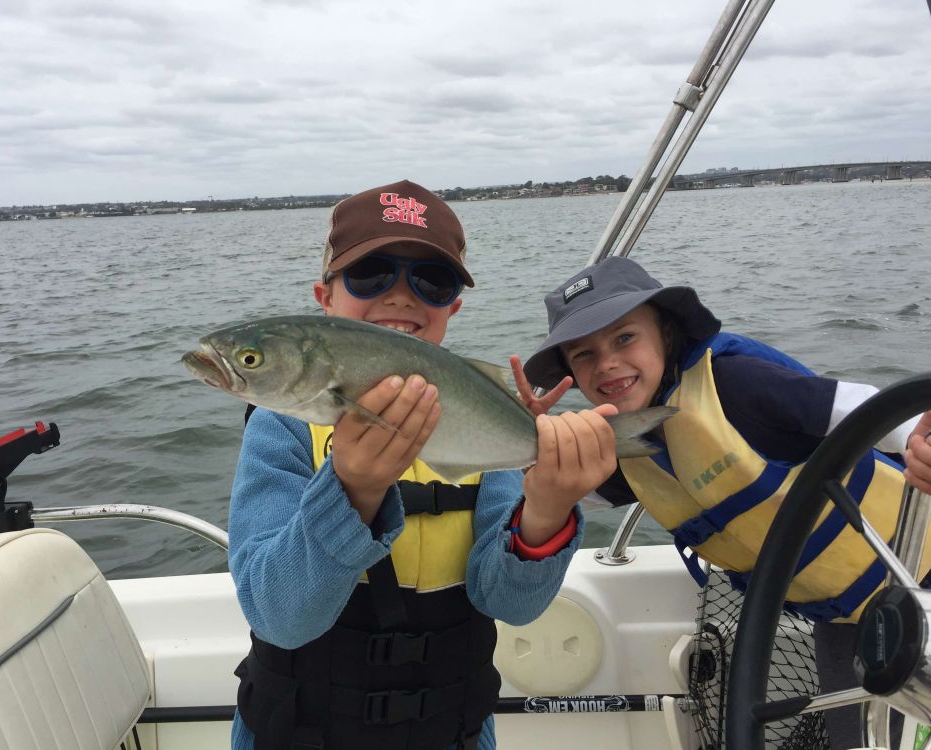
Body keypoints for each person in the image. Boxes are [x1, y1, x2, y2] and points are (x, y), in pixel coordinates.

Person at [227, 180, 620, 750]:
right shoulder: (284, 423)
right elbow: (279, 617)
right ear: (324, 298)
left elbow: (510, 604)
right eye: (370, 275)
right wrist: (352, 488)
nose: (400, 296)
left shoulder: (480, 423)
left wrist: (548, 509)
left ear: (451, 309)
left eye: (431, 282)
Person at [516, 255, 931, 749]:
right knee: (857, 741)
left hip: (918, 567)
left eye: (625, 338)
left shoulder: (736, 383)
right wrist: (532, 447)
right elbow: (562, 491)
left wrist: (919, 443)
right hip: (845, 619)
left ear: (667, 334)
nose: (606, 363)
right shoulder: (627, 447)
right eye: (583, 355)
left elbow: (859, 407)